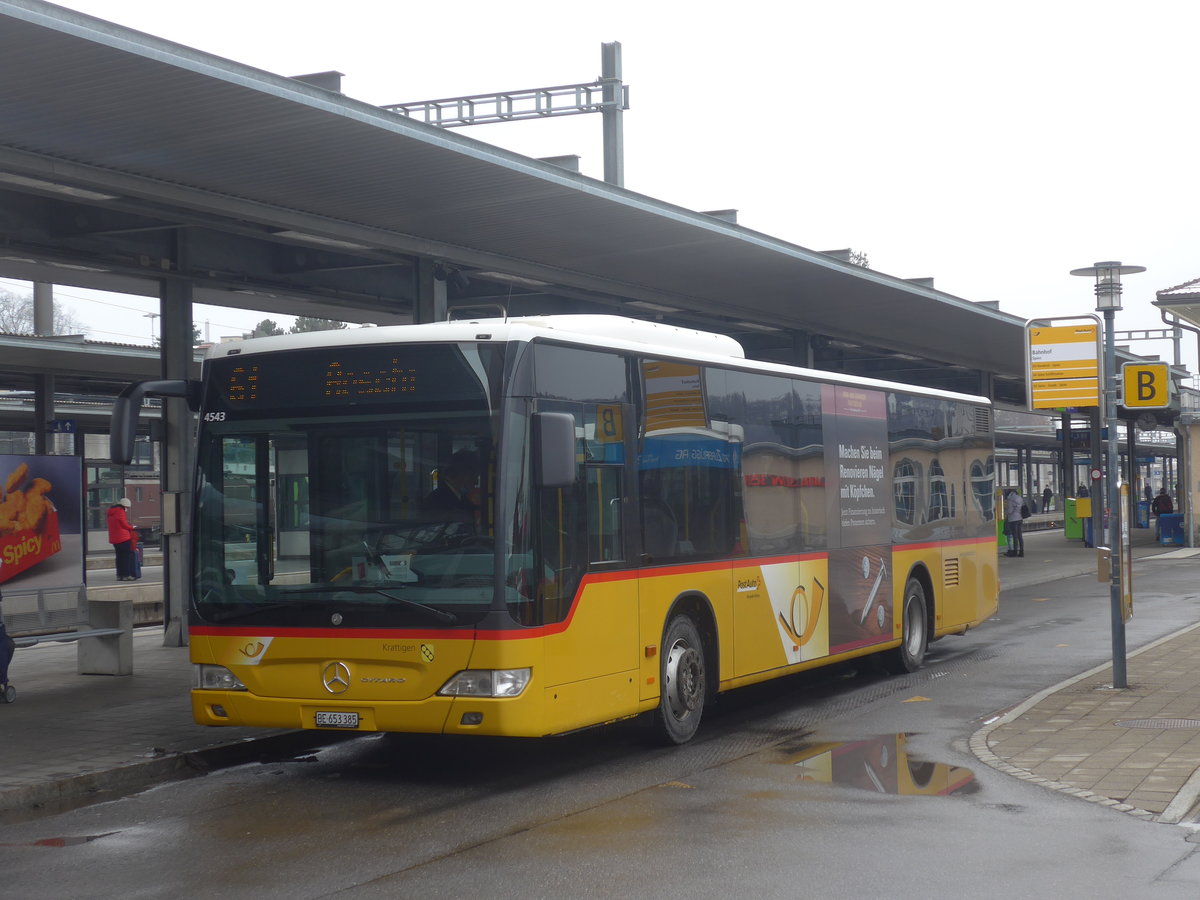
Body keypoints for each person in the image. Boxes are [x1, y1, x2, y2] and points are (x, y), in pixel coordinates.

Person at [423, 451, 478, 526]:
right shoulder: (437, 501)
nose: (476, 482)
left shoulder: (461, 499)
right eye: (474, 475)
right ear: (462, 473)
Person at [106, 497, 137, 581]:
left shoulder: (110, 512)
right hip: (123, 538)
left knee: (119, 557)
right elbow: (123, 524)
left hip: (114, 539)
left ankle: (119, 575)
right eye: (127, 507)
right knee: (126, 557)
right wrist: (132, 527)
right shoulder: (120, 511)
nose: (126, 509)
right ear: (124, 506)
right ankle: (126, 575)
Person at [1003, 487, 1025, 558]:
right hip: (1020, 519)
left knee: (1014, 536)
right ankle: (1021, 552)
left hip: (1013, 519)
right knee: (1020, 536)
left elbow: (1010, 511)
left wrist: (1005, 511)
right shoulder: (1020, 498)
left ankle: (1015, 552)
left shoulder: (1010, 499)